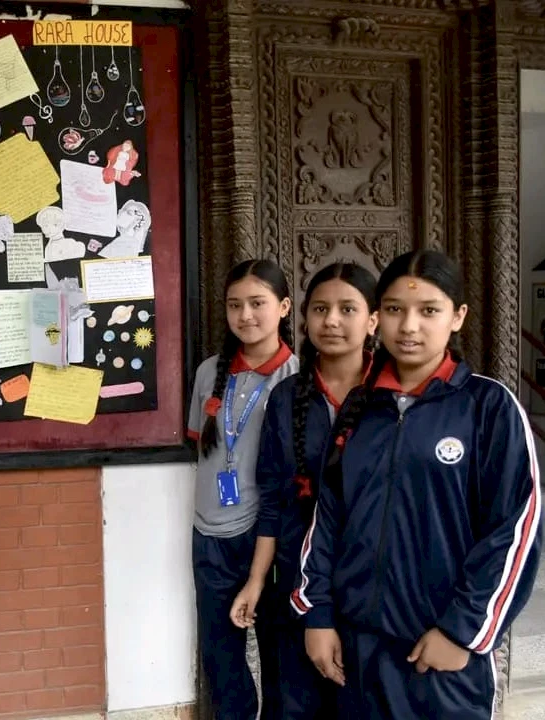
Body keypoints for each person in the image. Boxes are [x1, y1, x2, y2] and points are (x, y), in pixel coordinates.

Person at [295, 249, 542, 719]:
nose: (409, 327)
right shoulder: (361, 409)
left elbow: (515, 530)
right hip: (357, 651)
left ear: (457, 317)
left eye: (429, 310)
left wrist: (461, 631)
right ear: (378, 317)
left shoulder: (488, 407)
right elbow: (327, 519)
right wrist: (318, 614)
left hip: (438, 654)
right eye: (394, 309)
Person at [231, 262, 378, 718]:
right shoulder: (286, 397)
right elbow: (273, 500)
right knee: (295, 703)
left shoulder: (392, 399)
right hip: (298, 582)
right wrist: (257, 580)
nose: (331, 320)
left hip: (371, 584)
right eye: (320, 309)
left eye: (347, 309)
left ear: (373, 319)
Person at [186, 259, 298, 720]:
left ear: (284, 307)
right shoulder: (208, 373)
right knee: (220, 657)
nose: (245, 315)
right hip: (209, 533)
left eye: (257, 303)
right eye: (235, 305)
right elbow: (201, 446)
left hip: (269, 535)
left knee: (278, 652)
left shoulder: (296, 379)